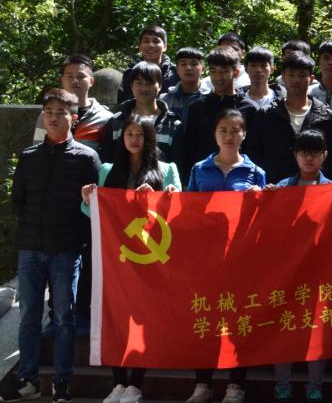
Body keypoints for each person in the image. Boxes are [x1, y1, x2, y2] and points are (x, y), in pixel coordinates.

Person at [3, 89, 100, 403]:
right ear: (43, 116)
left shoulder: (87, 158)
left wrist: (74, 236)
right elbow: (18, 201)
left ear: (74, 118)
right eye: (49, 112)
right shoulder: (30, 156)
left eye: (61, 113)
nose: (54, 118)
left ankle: (62, 382)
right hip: (30, 247)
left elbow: (93, 207)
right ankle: (27, 380)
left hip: (66, 249)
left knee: (64, 317)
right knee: (29, 315)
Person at [81, 116, 180, 403]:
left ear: (150, 139)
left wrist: (163, 196)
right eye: (129, 134)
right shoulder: (108, 170)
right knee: (116, 320)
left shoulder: (167, 170)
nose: (134, 139)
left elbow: (179, 212)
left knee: (144, 321)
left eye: (140, 134)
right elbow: (92, 214)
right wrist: (87, 199)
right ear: (121, 138)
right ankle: (118, 384)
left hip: (152, 261)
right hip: (116, 261)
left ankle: (136, 384)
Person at [185, 108, 265, 403]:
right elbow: (188, 211)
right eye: (223, 130)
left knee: (238, 320)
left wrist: (260, 199)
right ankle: (203, 384)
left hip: (241, 258)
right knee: (205, 318)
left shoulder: (256, 172)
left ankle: (235, 385)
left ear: (244, 134)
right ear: (214, 134)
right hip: (205, 258)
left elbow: (263, 220)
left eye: (235, 130)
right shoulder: (199, 169)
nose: (229, 136)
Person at [264, 130, 331, 402]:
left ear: (324, 155)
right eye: (303, 152)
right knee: (285, 327)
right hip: (287, 272)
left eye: (315, 153)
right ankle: (283, 386)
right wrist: (267, 199)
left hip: (320, 271)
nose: (309, 158)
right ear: (295, 155)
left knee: (318, 330)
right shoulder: (282, 187)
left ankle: (315, 387)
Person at [249, 52, 332, 184]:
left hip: (313, 190)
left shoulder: (325, 116)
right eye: (291, 74)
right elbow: (254, 155)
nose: (296, 80)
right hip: (273, 188)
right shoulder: (267, 114)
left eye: (302, 75)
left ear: (311, 78)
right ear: (283, 77)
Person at [179, 47, 256, 183]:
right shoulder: (197, 107)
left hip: (240, 179)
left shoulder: (249, 108)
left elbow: (254, 148)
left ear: (236, 72)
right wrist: (187, 182)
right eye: (213, 71)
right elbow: (189, 147)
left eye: (224, 71)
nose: (218, 77)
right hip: (203, 179)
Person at [100, 61, 182, 167]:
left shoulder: (173, 124)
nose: (144, 88)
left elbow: (177, 165)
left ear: (160, 86)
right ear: (131, 86)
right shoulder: (116, 121)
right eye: (139, 82)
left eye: (149, 83)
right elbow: (106, 160)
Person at [32, 54, 113, 153]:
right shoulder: (48, 115)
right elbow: (37, 152)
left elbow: (108, 156)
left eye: (81, 76)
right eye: (69, 76)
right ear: (62, 80)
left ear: (91, 81)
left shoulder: (105, 118)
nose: (75, 81)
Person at [116, 25, 179, 104]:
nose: (151, 45)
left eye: (156, 41)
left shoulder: (176, 73)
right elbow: (123, 105)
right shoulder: (130, 74)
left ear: (165, 47)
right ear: (140, 46)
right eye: (146, 41)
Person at [160, 47, 210, 127]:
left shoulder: (211, 97)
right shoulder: (165, 99)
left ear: (203, 69)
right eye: (183, 64)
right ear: (177, 69)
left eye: (194, 64)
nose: (188, 68)